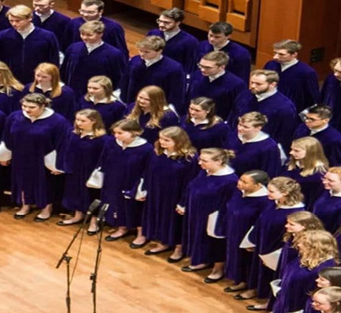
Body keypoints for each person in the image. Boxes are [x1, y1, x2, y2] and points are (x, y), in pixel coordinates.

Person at [0, 93, 69, 221]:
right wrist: (4, 156)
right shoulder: (15, 117)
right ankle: (25, 205)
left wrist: (59, 164)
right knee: (22, 182)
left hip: (44, 158)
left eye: (32, 107)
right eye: (24, 106)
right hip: (20, 156)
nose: (27, 110)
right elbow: (6, 137)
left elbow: (63, 143)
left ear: (43, 106)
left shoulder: (58, 121)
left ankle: (46, 208)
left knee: (45, 183)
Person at [271, 231, 339, 313]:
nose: (299, 246)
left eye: (303, 244)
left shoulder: (325, 267)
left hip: (303, 302)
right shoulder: (306, 257)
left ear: (315, 247)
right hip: (291, 298)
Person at [178, 147, 239, 282]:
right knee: (198, 238)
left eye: (204, 161)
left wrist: (220, 222)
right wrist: (184, 203)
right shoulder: (204, 172)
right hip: (197, 213)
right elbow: (191, 187)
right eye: (200, 159)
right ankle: (202, 260)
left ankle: (218, 269)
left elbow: (229, 203)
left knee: (215, 243)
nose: (200, 163)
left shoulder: (230, 180)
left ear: (218, 161)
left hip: (214, 216)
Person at [138, 127, 198, 258]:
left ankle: (178, 248)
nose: (162, 142)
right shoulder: (157, 153)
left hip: (175, 194)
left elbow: (191, 181)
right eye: (160, 139)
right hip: (157, 191)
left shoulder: (189, 158)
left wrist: (184, 201)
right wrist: (144, 189)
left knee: (175, 221)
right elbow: (149, 172)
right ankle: (163, 242)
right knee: (160, 217)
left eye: (166, 140)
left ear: (179, 141)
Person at [246, 177, 306, 307]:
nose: (268, 194)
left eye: (272, 191)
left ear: (285, 193)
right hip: (264, 244)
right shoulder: (273, 203)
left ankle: (271, 304)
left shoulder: (296, 212)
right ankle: (258, 292)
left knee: (274, 276)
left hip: (278, 249)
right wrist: (253, 241)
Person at [94, 118, 154, 244]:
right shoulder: (111, 142)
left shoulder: (146, 148)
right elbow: (103, 159)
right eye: (115, 133)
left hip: (133, 182)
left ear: (134, 132)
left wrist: (142, 187)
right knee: (116, 204)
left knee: (135, 208)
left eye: (120, 133)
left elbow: (147, 169)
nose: (116, 136)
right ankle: (121, 228)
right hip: (113, 179)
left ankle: (141, 234)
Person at [222, 170, 271, 294]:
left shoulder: (264, 201)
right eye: (240, 179)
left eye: (245, 182)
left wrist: (252, 240)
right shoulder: (239, 192)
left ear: (258, 185)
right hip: (234, 231)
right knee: (236, 257)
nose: (240, 183)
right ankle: (240, 280)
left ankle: (251, 287)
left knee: (248, 261)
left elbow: (261, 222)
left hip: (248, 236)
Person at [59, 109, 107, 231]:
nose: (79, 123)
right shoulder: (73, 133)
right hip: (75, 169)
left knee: (92, 196)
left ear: (94, 121)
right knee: (74, 193)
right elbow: (66, 149)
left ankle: (93, 222)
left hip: (90, 171)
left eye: (83, 121)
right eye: (77, 120)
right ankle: (77, 215)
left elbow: (102, 157)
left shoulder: (102, 139)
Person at [0, 4, 60, 85]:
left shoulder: (47, 36)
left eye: (18, 21)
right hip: (10, 80)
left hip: (37, 80)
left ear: (29, 18)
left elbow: (53, 60)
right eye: (11, 21)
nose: (14, 24)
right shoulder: (3, 36)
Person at [233, 69, 297, 153]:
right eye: (251, 82)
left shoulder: (285, 107)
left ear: (272, 84)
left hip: (263, 149)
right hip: (238, 143)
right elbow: (233, 117)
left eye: (258, 84)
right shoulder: (244, 95)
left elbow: (284, 134)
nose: (252, 86)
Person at [61, 21, 126, 96]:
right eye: (82, 34)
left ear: (100, 34)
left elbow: (118, 77)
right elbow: (64, 70)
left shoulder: (114, 54)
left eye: (89, 35)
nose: (84, 37)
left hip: (97, 94)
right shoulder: (73, 48)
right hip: (73, 90)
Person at [122, 36, 185, 112]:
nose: (142, 54)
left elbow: (175, 92)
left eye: (146, 52)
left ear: (159, 51)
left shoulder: (174, 68)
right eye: (140, 51)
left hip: (156, 108)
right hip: (133, 104)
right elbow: (125, 81)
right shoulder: (135, 60)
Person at [186, 51, 247, 121]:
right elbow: (188, 97)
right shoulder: (196, 76)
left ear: (221, 67)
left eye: (207, 67)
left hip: (218, 121)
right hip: (194, 118)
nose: (202, 69)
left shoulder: (236, 84)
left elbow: (237, 108)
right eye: (200, 66)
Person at [263, 40, 319, 113]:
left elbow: (312, 97)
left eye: (281, 54)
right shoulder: (271, 65)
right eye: (275, 53)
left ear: (294, 54)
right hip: (269, 106)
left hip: (292, 111)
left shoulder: (306, 72)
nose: (275, 57)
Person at [230, 111, 283, 178]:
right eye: (239, 124)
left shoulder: (268, 147)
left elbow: (269, 173)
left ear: (258, 128)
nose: (240, 129)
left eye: (246, 127)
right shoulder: (233, 135)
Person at [146, 8, 199, 74]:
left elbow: (190, 65)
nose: (161, 25)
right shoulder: (153, 33)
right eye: (160, 21)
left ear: (178, 23)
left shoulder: (190, 41)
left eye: (166, 22)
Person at [282, 136, 328, 209]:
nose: (291, 152)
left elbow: (314, 198)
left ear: (310, 152)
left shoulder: (318, 173)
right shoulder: (289, 162)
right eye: (292, 149)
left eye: (296, 151)